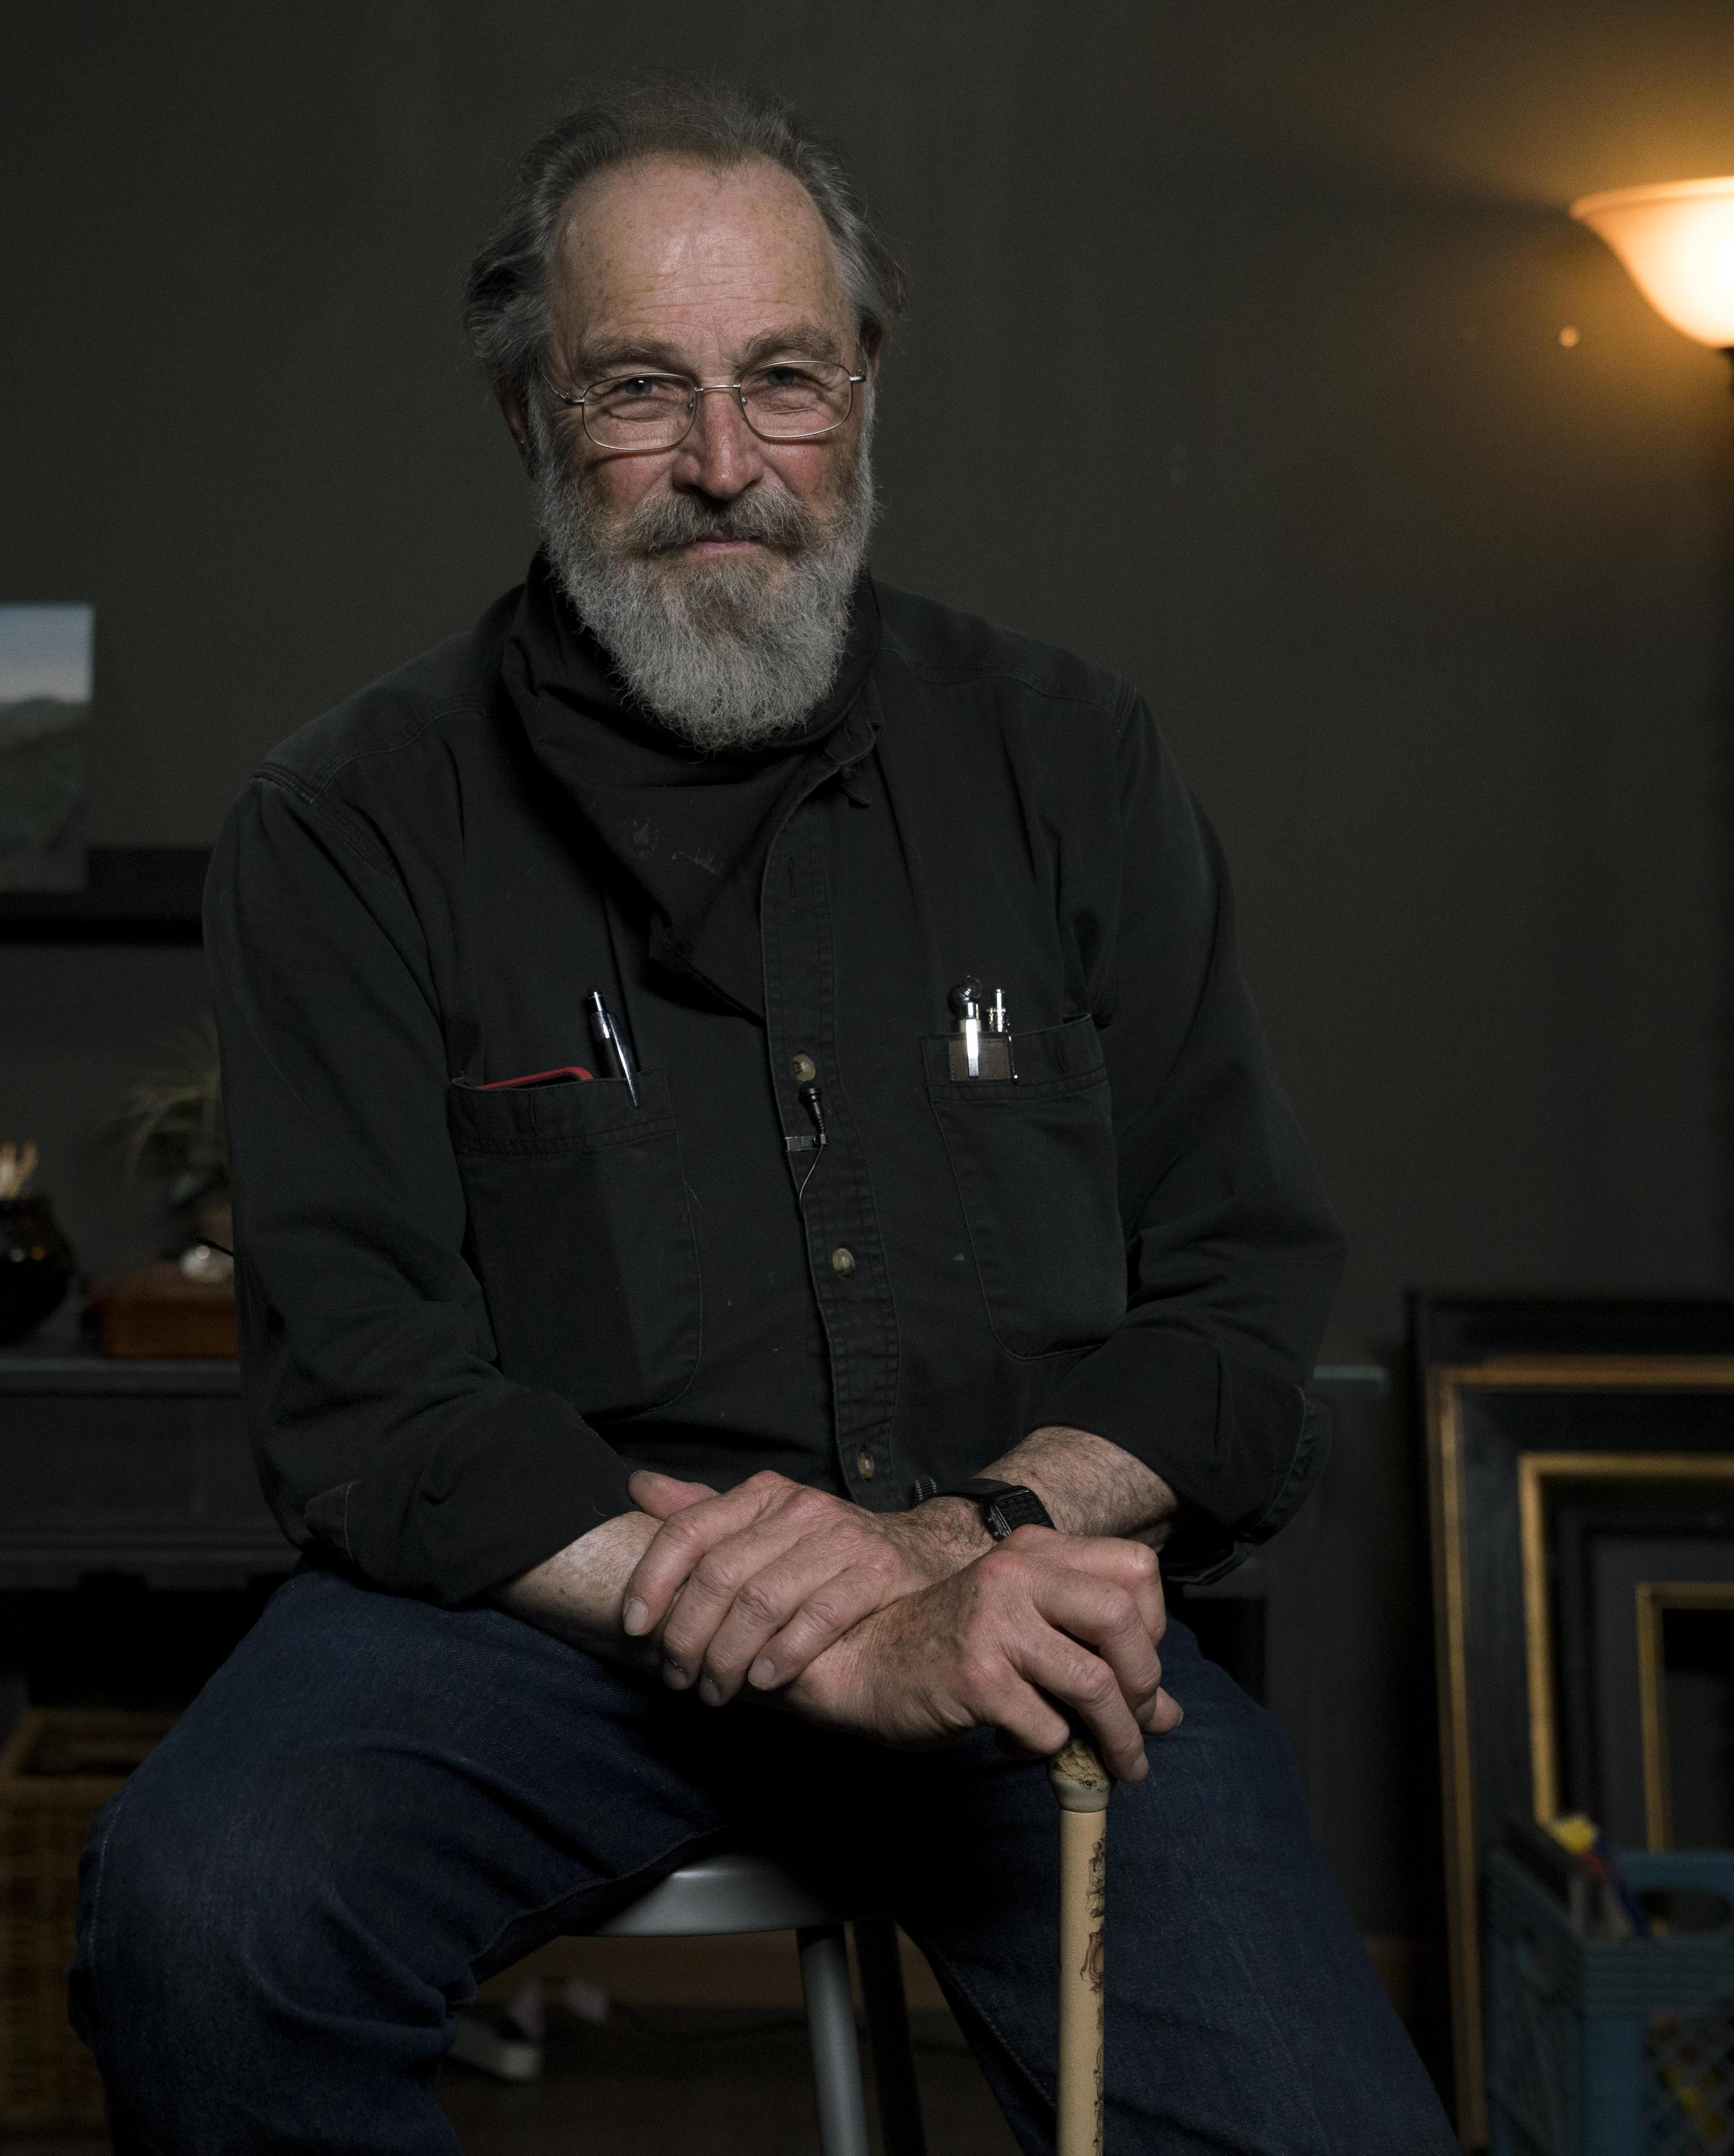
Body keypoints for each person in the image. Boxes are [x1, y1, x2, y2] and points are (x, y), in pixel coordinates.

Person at [72, 77, 1455, 2153]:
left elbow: (1240, 1305)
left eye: (783, 381)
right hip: (550, 1624)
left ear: (864, 388)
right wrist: (807, 1631)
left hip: (1009, 1590)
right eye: (642, 389)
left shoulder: (1071, 758)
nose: (725, 463)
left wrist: (951, 1549)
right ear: (530, 415)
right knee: (199, 1917)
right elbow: (368, 1391)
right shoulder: (347, 821)